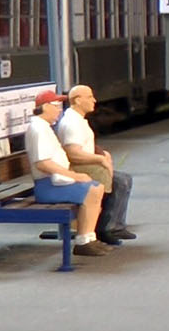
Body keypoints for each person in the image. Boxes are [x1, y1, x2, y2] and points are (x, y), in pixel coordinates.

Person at [24, 90, 109, 256]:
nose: (59, 110)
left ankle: (89, 238)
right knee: (92, 190)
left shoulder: (43, 128)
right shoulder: (38, 130)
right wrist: (75, 176)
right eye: (56, 106)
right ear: (46, 107)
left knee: (96, 187)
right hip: (47, 186)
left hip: (55, 182)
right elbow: (43, 163)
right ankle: (83, 241)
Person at [59, 84, 137, 245]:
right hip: (77, 169)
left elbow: (85, 145)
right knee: (119, 181)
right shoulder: (71, 123)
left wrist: (101, 153)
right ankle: (105, 228)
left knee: (124, 179)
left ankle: (115, 225)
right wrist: (100, 160)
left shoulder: (78, 120)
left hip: (84, 167)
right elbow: (73, 154)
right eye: (89, 97)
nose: (94, 100)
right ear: (78, 100)